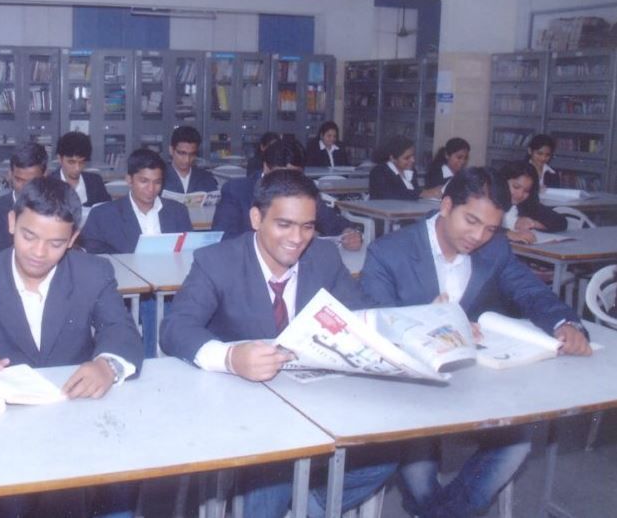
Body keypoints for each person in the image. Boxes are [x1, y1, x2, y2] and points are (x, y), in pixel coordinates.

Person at [160, 168, 395, 518]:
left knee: (388, 452)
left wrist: (418, 324)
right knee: (278, 467)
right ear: (256, 218)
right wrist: (231, 356)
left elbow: (360, 314)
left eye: (308, 226)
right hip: (245, 405)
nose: (297, 238)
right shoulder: (218, 261)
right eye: (284, 224)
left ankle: (304, 507)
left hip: (314, 397)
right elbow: (175, 328)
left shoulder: (324, 258)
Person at [360, 167, 591, 518]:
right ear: (446, 205)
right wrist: (430, 322)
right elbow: (372, 321)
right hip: (411, 387)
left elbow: (529, 291)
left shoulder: (494, 247)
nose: (479, 236)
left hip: (474, 380)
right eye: (471, 221)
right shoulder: (389, 251)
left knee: (517, 441)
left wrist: (566, 323)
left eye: (490, 228)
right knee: (420, 469)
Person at [0, 176, 144, 517]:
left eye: (55, 243)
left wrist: (107, 365)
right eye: (28, 236)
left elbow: (122, 330)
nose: (38, 253)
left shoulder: (93, 272)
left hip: (73, 417)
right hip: (1, 427)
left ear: (73, 239)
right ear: (11, 223)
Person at [212, 138, 362, 250]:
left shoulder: (306, 193)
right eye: (281, 175)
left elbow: (334, 224)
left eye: (294, 176)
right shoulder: (236, 191)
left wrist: (350, 234)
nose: (288, 183)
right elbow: (223, 239)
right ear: (266, 167)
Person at [80, 147, 192, 254]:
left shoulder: (178, 212)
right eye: (144, 181)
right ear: (129, 180)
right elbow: (94, 258)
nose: (151, 189)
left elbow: (189, 252)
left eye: (157, 182)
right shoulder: (102, 216)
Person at [0, 142, 47, 261]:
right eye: (19, 180)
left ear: (45, 176)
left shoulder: (59, 211)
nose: (25, 188)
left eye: (32, 182)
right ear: (10, 174)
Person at [499, 161, 567, 243]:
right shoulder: (490, 201)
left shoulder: (525, 204)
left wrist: (533, 224)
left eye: (526, 191)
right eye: (516, 187)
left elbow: (561, 222)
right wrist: (511, 230)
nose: (520, 195)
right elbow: (487, 227)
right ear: (502, 181)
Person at [48, 131, 111, 206]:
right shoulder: (48, 184)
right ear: (60, 159)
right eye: (71, 162)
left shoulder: (96, 182)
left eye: (81, 162)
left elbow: (107, 210)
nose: (77, 168)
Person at [368, 135, 440, 200]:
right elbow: (389, 196)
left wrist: (431, 192)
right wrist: (421, 193)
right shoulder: (379, 172)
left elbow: (413, 195)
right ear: (392, 158)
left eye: (413, 156)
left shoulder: (411, 171)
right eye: (407, 158)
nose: (413, 160)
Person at [163, 125, 218, 194]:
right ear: (171, 150)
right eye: (182, 153)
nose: (187, 160)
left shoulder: (206, 177)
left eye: (192, 154)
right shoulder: (160, 176)